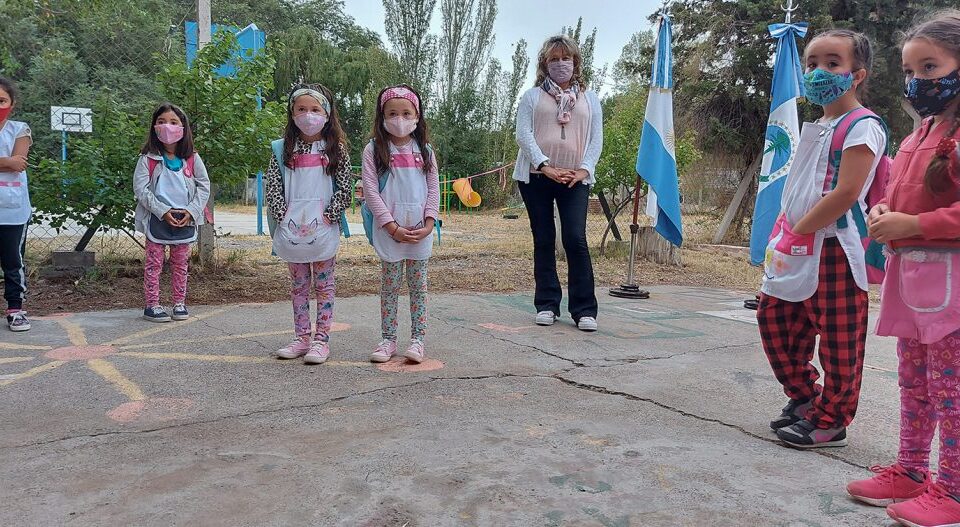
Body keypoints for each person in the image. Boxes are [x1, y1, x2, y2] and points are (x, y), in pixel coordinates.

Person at [846, 11, 960, 526]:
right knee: (913, 382)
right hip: (913, 282)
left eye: (930, 67)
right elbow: (900, 193)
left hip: (951, 287)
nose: (917, 81)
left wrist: (914, 224)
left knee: (951, 390)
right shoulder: (920, 133)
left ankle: (953, 489)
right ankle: (911, 469)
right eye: (910, 71)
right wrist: (883, 212)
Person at [758, 30, 886, 448]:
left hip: (834, 246)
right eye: (812, 63)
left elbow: (846, 192)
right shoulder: (821, 123)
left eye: (833, 63)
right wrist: (786, 232)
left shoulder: (862, 126)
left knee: (838, 340)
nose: (818, 72)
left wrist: (800, 229)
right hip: (795, 243)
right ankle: (804, 397)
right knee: (776, 320)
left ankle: (832, 419)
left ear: (856, 75)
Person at [513, 35, 602, 332]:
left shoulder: (590, 99)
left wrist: (584, 170)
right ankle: (547, 304)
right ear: (544, 64)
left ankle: (584, 309)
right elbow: (523, 135)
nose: (560, 63)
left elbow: (596, 139)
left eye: (566, 58)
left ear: (575, 62)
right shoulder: (532, 97)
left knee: (575, 239)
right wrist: (545, 165)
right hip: (537, 176)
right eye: (554, 59)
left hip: (575, 178)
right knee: (544, 238)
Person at [265, 84, 354, 365]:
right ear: (292, 113)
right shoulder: (282, 150)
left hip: (323, 228)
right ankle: (302, 337)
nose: (308, 115)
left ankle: (321, 341)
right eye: (301, 109)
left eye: (315, 109)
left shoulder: (336, 150)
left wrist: (329, 216)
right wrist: (282, 216)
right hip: (292, 229)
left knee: (324, 287)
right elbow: (273, 187)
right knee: (299, 286)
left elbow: (345, 188)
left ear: (327, 115)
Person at [363, 85, 439, 365]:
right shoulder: (373, 150)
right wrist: (391, 226)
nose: (400, 119)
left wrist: (429, 223)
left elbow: (433, 189)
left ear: (417, 116)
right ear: (382, 116)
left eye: (406, 113)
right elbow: (371, 191)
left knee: (419, 287)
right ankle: (388, 339)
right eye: (392, 113)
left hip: (420, 231)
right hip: (390, 232)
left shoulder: (426, 151)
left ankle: (418, 340)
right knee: (390, 287)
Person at [133, 103, 210, 323]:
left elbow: (204, 185)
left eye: (173, 122)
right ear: (154, 127)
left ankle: (179, 303)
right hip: (157, 218)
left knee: (181, 265)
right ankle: (152, 305)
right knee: (154, 264)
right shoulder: (147, 159)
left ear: (183, 128)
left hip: (185, 218)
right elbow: (141, 189)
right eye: (161, 122)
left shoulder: (192, 158)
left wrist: (192, 211)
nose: (167, 126)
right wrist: (162, 211)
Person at [0, 76, 32, 332]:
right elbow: (10, 163)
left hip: (12, 209)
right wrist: (6, 162)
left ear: (12, 104)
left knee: (13, 261)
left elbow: (19, 162)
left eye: (1, 101)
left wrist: (12, 162)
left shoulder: (19, 129)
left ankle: (15, 308)